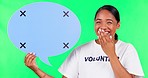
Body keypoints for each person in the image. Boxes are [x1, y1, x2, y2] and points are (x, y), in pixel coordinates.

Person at [24, 5, 144, 78]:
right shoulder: (80, 51)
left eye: (109, 22)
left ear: (118, 25)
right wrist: (35, 69)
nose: (103, 26)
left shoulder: (127, 49)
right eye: (98, 22)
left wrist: (111, 53)